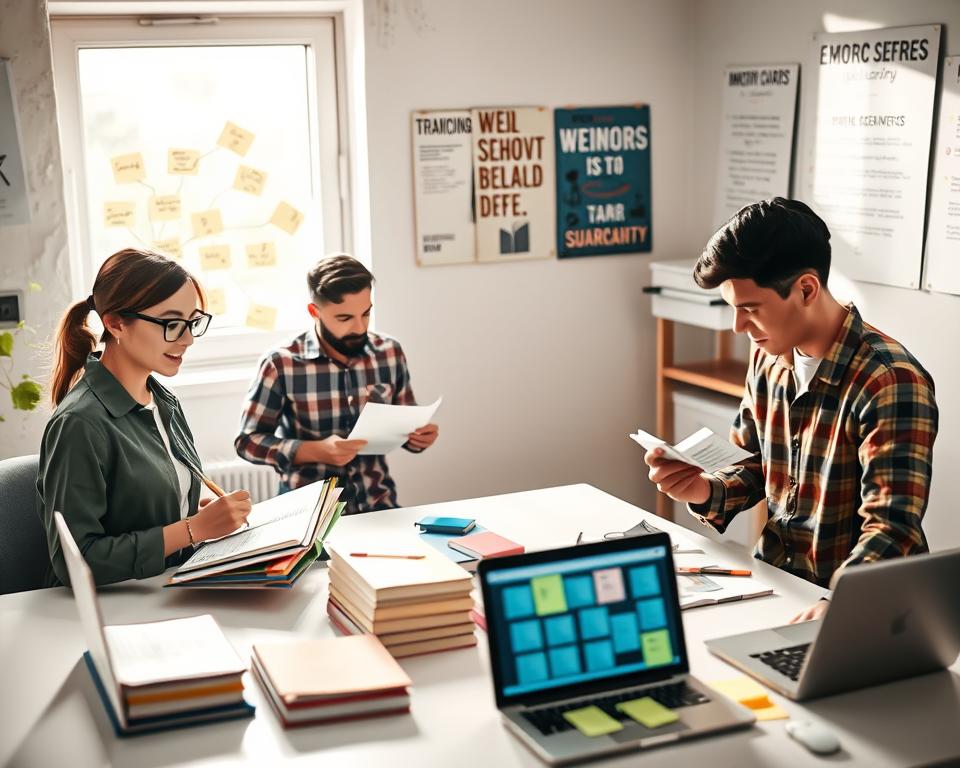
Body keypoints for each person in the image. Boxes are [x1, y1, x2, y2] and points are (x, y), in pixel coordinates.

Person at [643, 198, 938, 622]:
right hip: (777, 588)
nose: (738, 327)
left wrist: (839, 604)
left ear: (805, 289)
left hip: (862, 612)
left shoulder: (890, 381)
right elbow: (753, 464)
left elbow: (892, 529)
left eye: (750, 309)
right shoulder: (768, 354)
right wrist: (704, 490)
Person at [38, 249, 252, 587]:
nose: (187, 339)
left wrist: (190, 504)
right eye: (171, 324)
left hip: (169, 587)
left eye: (192, 322)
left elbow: (136, 505)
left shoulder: (163, 400)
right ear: (116, 323)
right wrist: (193, 528)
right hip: (110, 610)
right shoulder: (79, 424)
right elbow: (75, 560)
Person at [235, 254, 438, 513]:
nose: (359, 327)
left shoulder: (389, 352)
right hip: (309, 515)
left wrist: (419, 437)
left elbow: (406, 424)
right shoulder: (281, 363)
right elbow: (247, 442)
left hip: (378, 504)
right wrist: (314, 451)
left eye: (366, 313)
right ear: (314, 312)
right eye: (344, 318)